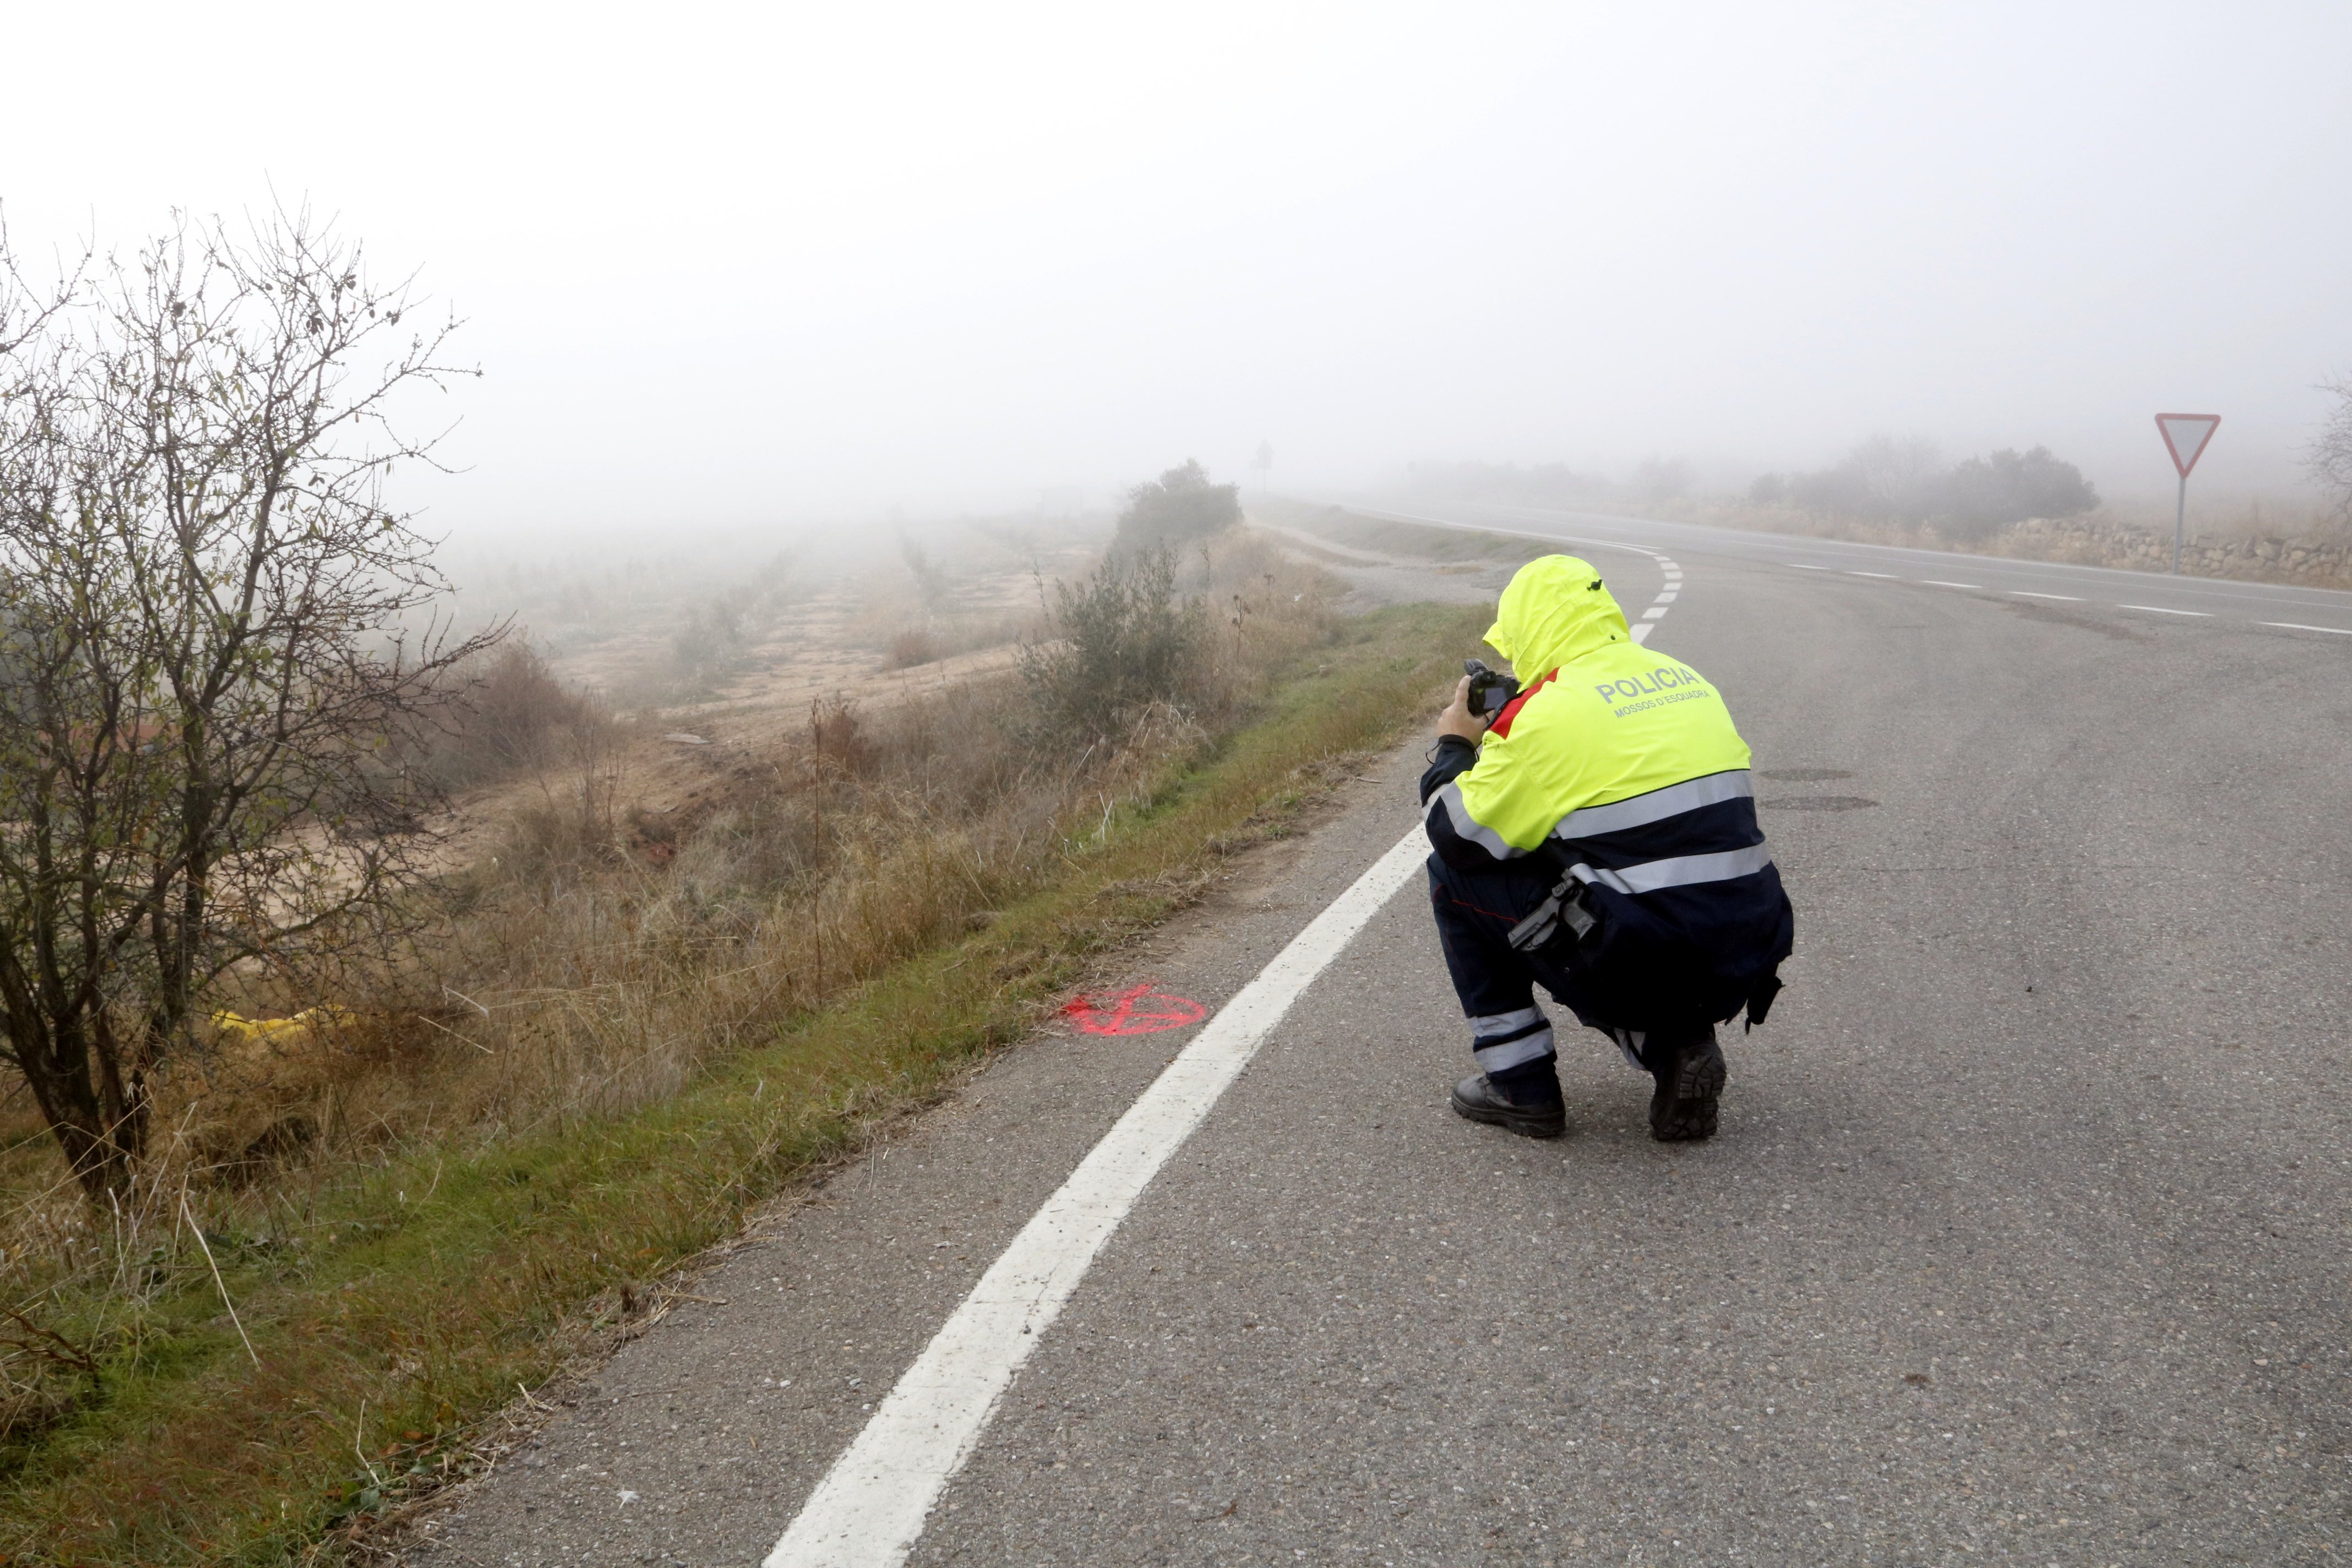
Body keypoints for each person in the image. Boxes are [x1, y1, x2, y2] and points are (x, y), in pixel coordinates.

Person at [1419, 554, 1793, 1141]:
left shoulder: (1545, 716)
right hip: (1743, 951)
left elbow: (1458, 835)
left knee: (1452, 875)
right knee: (1618, 878)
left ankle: (1519, 1084)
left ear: (1533, 631)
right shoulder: (1686, 676)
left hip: (1648, 956)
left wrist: (1455, 743)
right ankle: (1674, 1046)